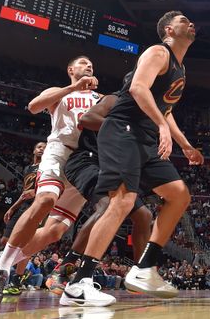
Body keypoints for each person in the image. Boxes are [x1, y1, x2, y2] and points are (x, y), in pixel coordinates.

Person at [60, 11, 204, 307]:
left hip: (146, 138)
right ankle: (79, 283)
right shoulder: (157, 52)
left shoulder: (180, 68)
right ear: (168, 29)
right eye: (184, 21)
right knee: (123, 201)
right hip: (122, 130)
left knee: (178, 195)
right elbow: (138, 87)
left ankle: (144, 268)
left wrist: (186, 145)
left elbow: (166, 111)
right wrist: (162, 126)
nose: (191, 24)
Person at [0, 56, 100, 302]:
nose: (88, 66)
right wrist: (73, 88)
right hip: (60, 152)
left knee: (55, 231)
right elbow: (34, 106)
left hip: (87, 161)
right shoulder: (60, 91)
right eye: (83, 63)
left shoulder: (99, 98)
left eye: (91, 65)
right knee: (45, 199)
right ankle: (1, 270)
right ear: (70, 69)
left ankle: (0, 258)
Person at [44, 90, 153, 295]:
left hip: (110, 167)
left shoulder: (144, 116)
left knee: (144, 215)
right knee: (106, 207)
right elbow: (87, 118)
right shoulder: (116, 100)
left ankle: (139, 275)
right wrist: (121, 130)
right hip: (85, 160)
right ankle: (64, 271)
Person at [0, 141, 45, 296]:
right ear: (34, 150)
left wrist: (37, 193)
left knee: (25, 244)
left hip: (37, 206)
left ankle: (16, 278)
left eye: (45, 149)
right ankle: (8, 269)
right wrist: (12, 208)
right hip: (24, 206)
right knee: (5, 240)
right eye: (39, 147)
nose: (41, 150)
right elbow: (26, 191)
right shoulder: (28, 168)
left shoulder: (46, 166)